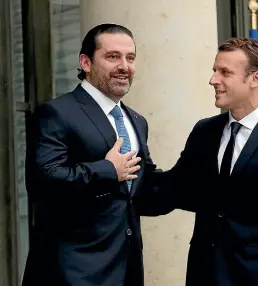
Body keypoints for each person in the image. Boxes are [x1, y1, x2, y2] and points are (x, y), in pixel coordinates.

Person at [160, 37, 258, 286]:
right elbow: (172, 189)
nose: (213, 80)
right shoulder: (204, 132)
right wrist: (121, 176)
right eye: (215, 71)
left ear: (255, 79)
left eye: (225, 72)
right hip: (204, 276)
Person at [23, 23, 164, 286]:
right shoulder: (57, 113)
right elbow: (43, 181)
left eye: (130, 58)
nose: (124, 66)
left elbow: (139, 192)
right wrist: (109, 170)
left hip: (125, 270)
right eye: (113, 57)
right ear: (86, 62)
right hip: (72, 272)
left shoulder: (136, 120)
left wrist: (192, 180)